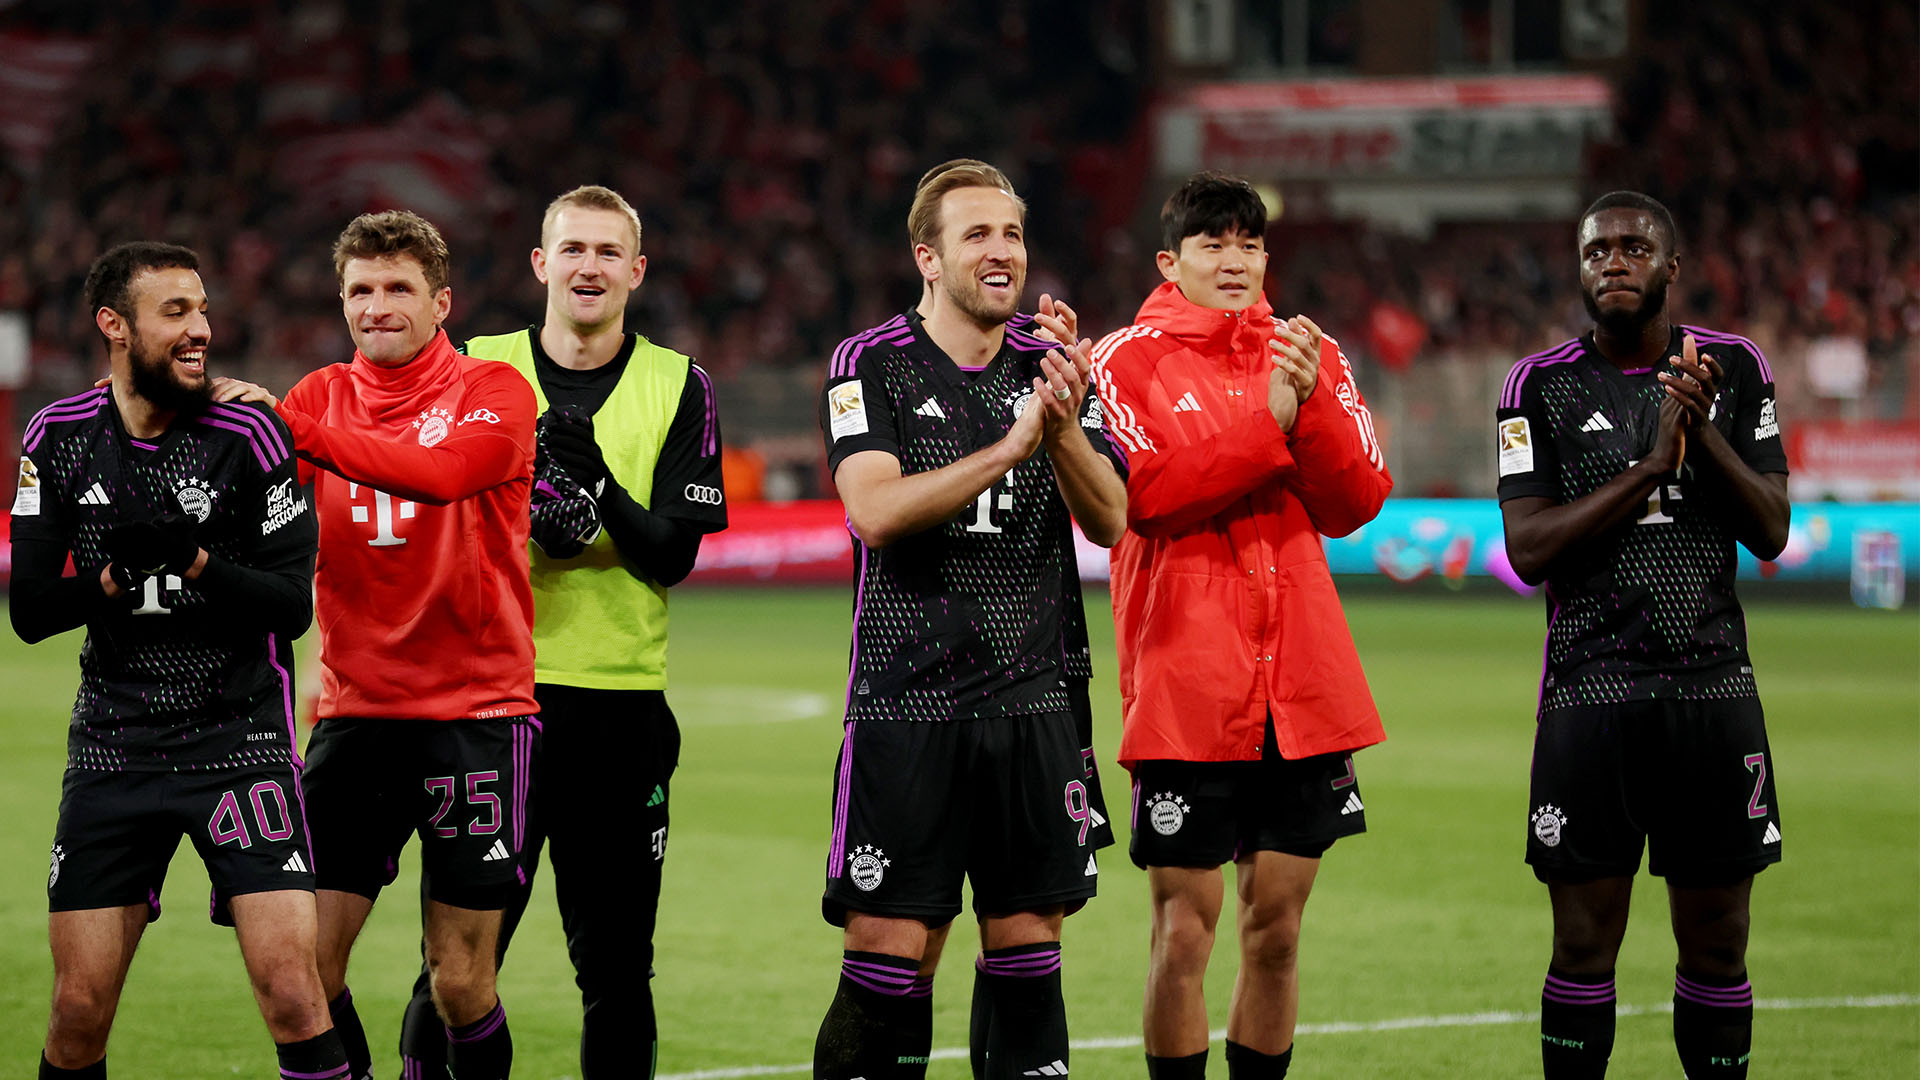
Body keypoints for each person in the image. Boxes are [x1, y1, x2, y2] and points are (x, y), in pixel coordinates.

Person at [394, 184, 728, 1079]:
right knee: (455, 967)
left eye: (608, 252)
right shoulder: (474, 366)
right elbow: (424, 505)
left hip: (619, 713)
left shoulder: (678, 383)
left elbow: (674, 557)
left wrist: (599, 490)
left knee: (618, 973)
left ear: (636, 271)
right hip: (486, 711)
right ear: (541, 264)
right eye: (573, 249)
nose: (590, 266)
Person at [813, 158, 1128, 1079]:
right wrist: (1009, 446)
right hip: (908, 708)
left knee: (1029, 952)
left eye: (1014, 235)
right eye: (977, 235)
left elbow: (1110, 519)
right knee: (884, 961)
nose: (1002, 253)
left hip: (1036, 707)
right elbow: (873, 512)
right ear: (928, 256)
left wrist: (1062, 420)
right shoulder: (869, 364)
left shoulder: (1053, 364)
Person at [216, 210, 540, 1080]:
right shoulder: (316, 396)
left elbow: (442, 477)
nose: (377, 304)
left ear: (442, 303)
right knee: (304, 975)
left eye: (398, 288)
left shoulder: (495, 391)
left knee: (460, 978)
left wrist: (293, 430)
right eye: (360, 289)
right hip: (355, 715)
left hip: (476, 714)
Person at [11, 242, 346, 1080]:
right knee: (77, 1012)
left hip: (238, 745)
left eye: (201, 310)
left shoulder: (250, 433)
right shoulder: (55, 437)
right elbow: (29, 613)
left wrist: (194, 562)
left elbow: (290, 607)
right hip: (113, 749)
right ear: (114, 327)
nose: (201, 331)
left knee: (294, 994)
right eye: (176, 314)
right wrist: (116, 578)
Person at [1090, 172, 1392, 1080]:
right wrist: (1274, 422)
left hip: (1299, 683)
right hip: (1191, 682)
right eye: (1214, 243)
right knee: (1185, 929)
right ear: (1168, 260)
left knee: (1279, 929)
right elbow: (1148, 498)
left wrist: (1312, 412)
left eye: (1250, 244)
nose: (1235, 260)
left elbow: (1355, 501)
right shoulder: (1125, 359)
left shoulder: (1311, 351)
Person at [1497, 191, 1789, 1080]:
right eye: (1595, 252)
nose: (1612, 263)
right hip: (1591, 697)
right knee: (1583, 944)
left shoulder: (1735, 369)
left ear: (1671, 266)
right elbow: (1529, 548)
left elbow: (1773, 528)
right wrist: (1651, 468)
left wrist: (1703, 442)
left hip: (1714, 692)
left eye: (1632, 248)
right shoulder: (1537, 385)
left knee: (1719, 942)